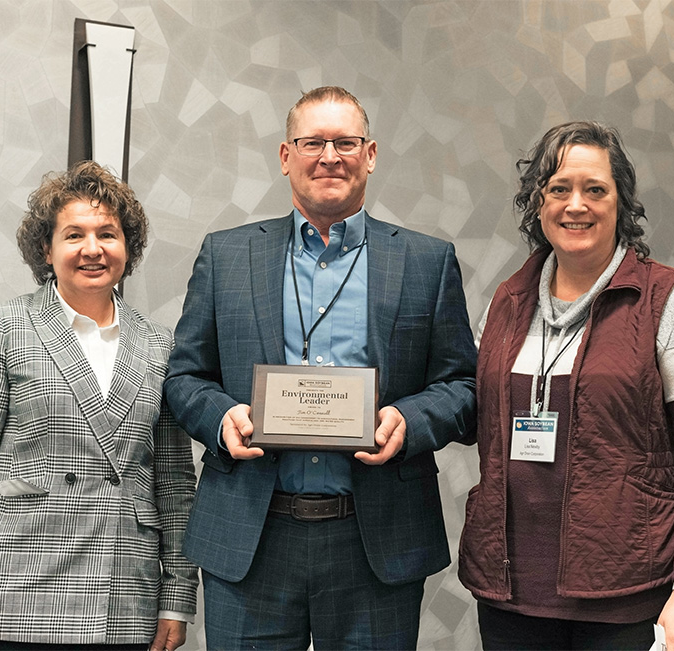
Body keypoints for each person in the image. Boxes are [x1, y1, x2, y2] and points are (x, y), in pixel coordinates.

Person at [164, 86, 477, 649]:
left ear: (371, 154)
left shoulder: (427, 262)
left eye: (345, 142)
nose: (329, 156)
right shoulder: (226, 255)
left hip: (374, 537)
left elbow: (462, 385)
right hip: (253, 537)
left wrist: (410, 421)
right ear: (286, 156)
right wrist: (221, 418)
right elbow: (184, 376)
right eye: (312, 142)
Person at [459, 121, 674, 651]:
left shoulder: (670, 301)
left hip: (628, 599)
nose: (575, 205)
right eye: (558, 189)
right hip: (509, 597)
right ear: (537, 203)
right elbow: (472, 415)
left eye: (595, 189)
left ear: (621, 203)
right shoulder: (506, 304)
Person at [0, 161, 198, 651]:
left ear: (128, 248)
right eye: (74, 234)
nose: (93, 249)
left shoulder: (161, 345)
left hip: (126, 597)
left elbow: (175, 482)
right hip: (19, 595)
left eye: (108, 234)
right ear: (46, 249)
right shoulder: (2, 328)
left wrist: (176, 596)